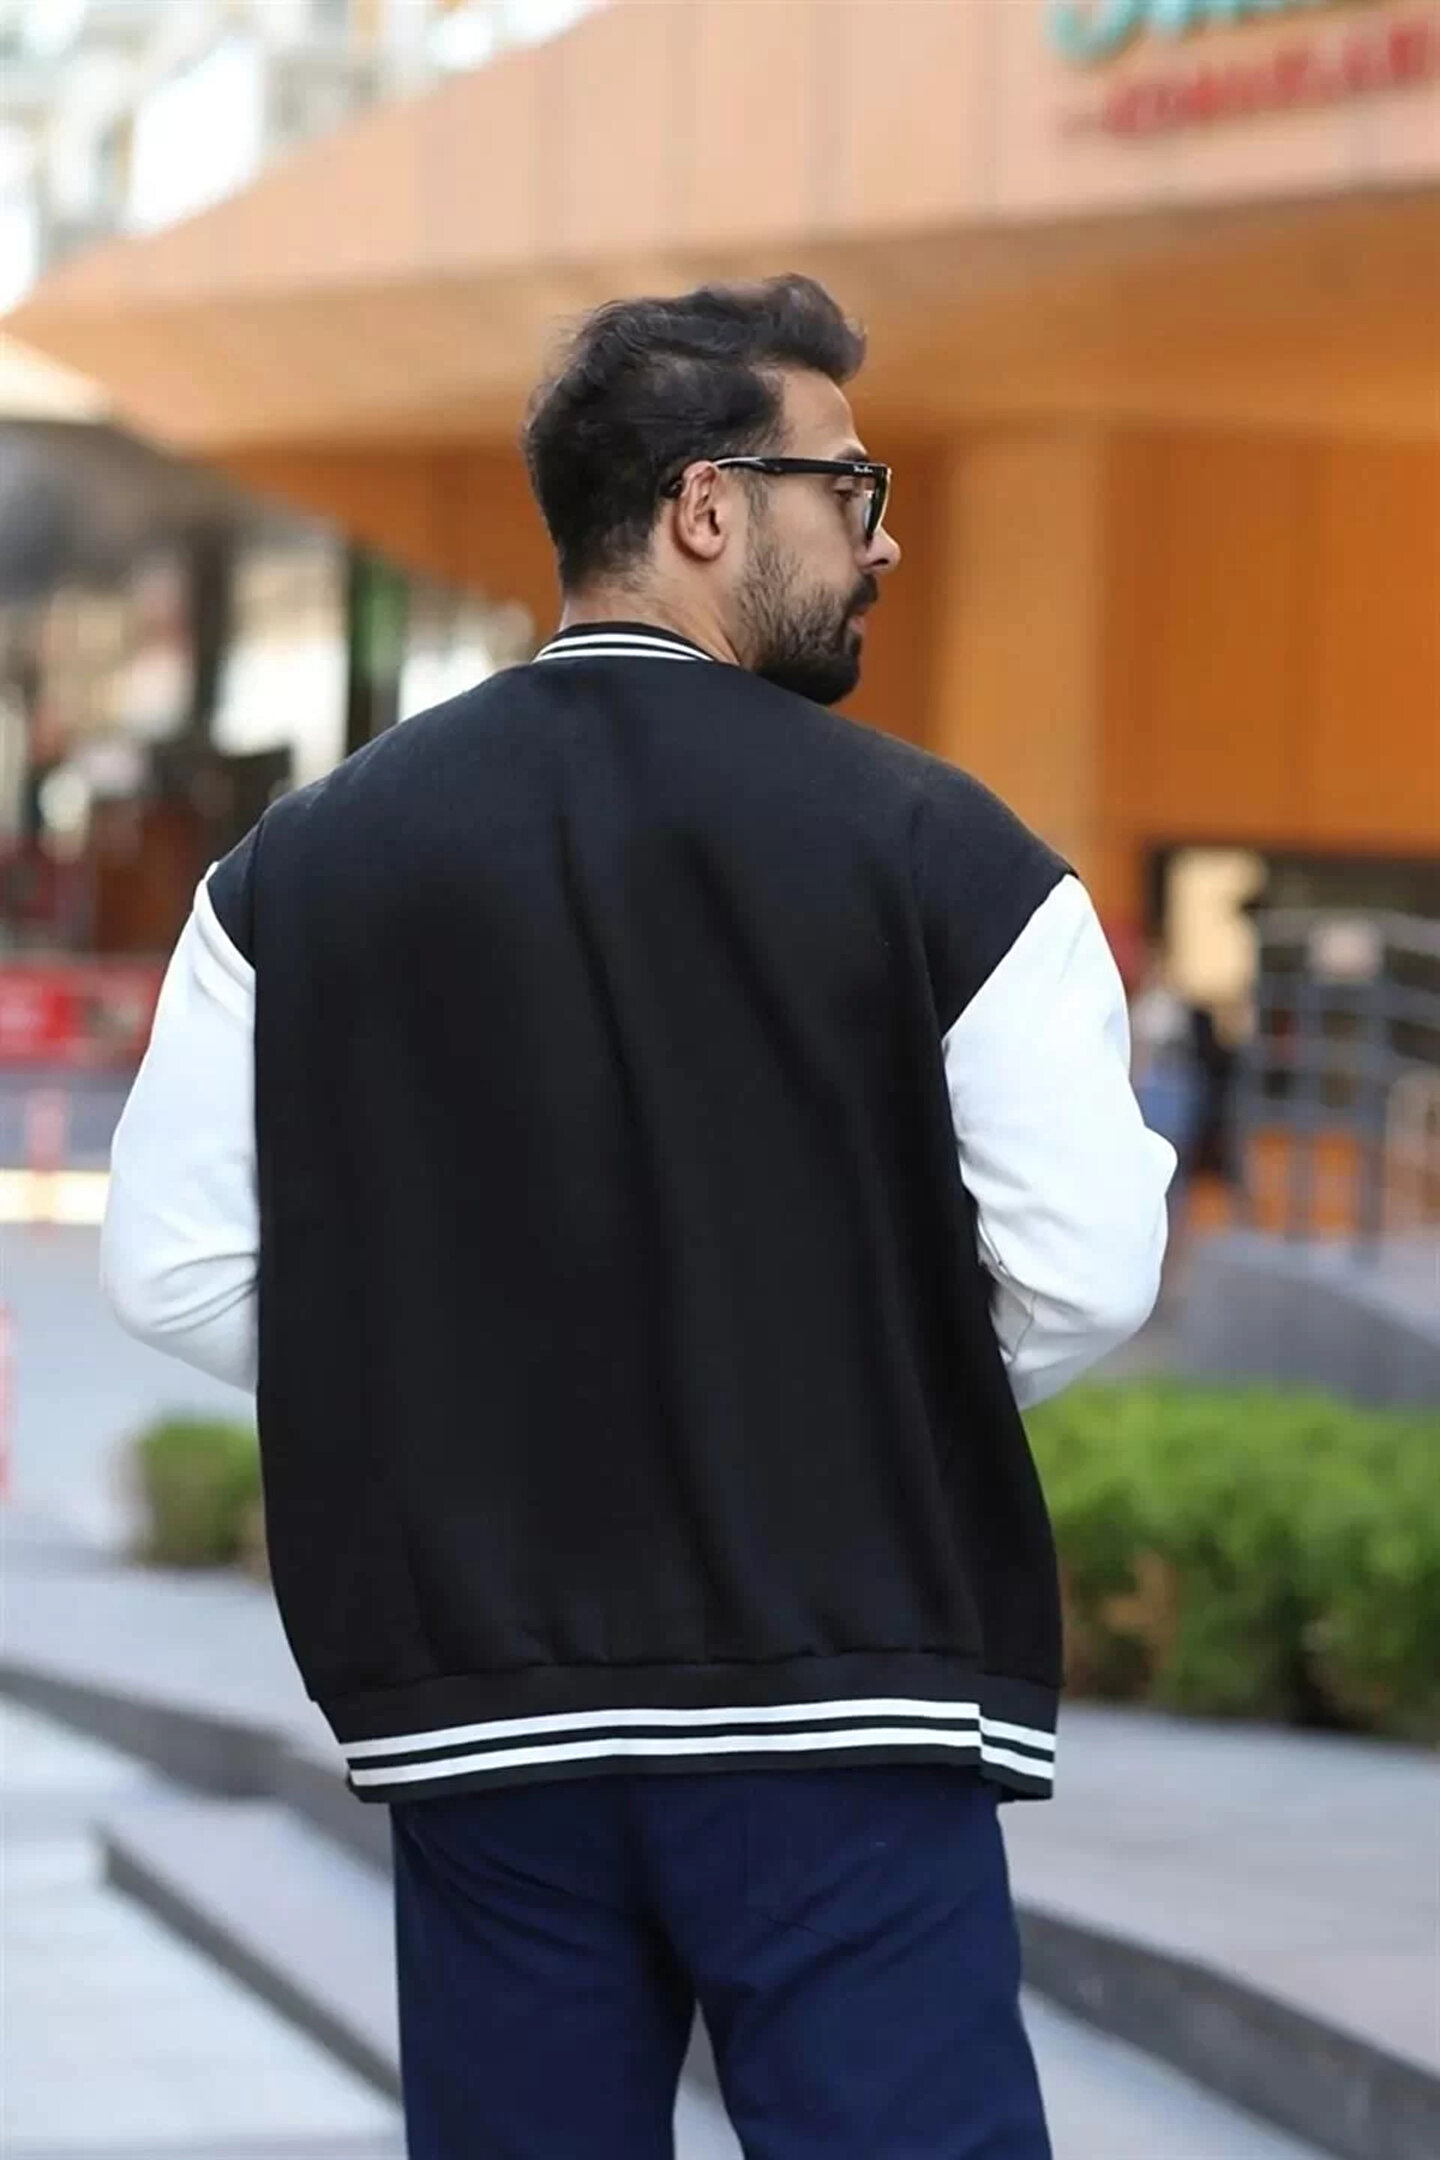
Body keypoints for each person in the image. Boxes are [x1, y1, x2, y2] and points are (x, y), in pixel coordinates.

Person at [101, 276, 1175, 2160]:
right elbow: (1085, 1266)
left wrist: (477, 1405)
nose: (884, 538)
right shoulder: (951, 854)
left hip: (484, 1714)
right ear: (705, 506)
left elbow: (168, 1268)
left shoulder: (299, 869)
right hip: (843, 1701)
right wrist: (830, 1399)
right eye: (850, 487)